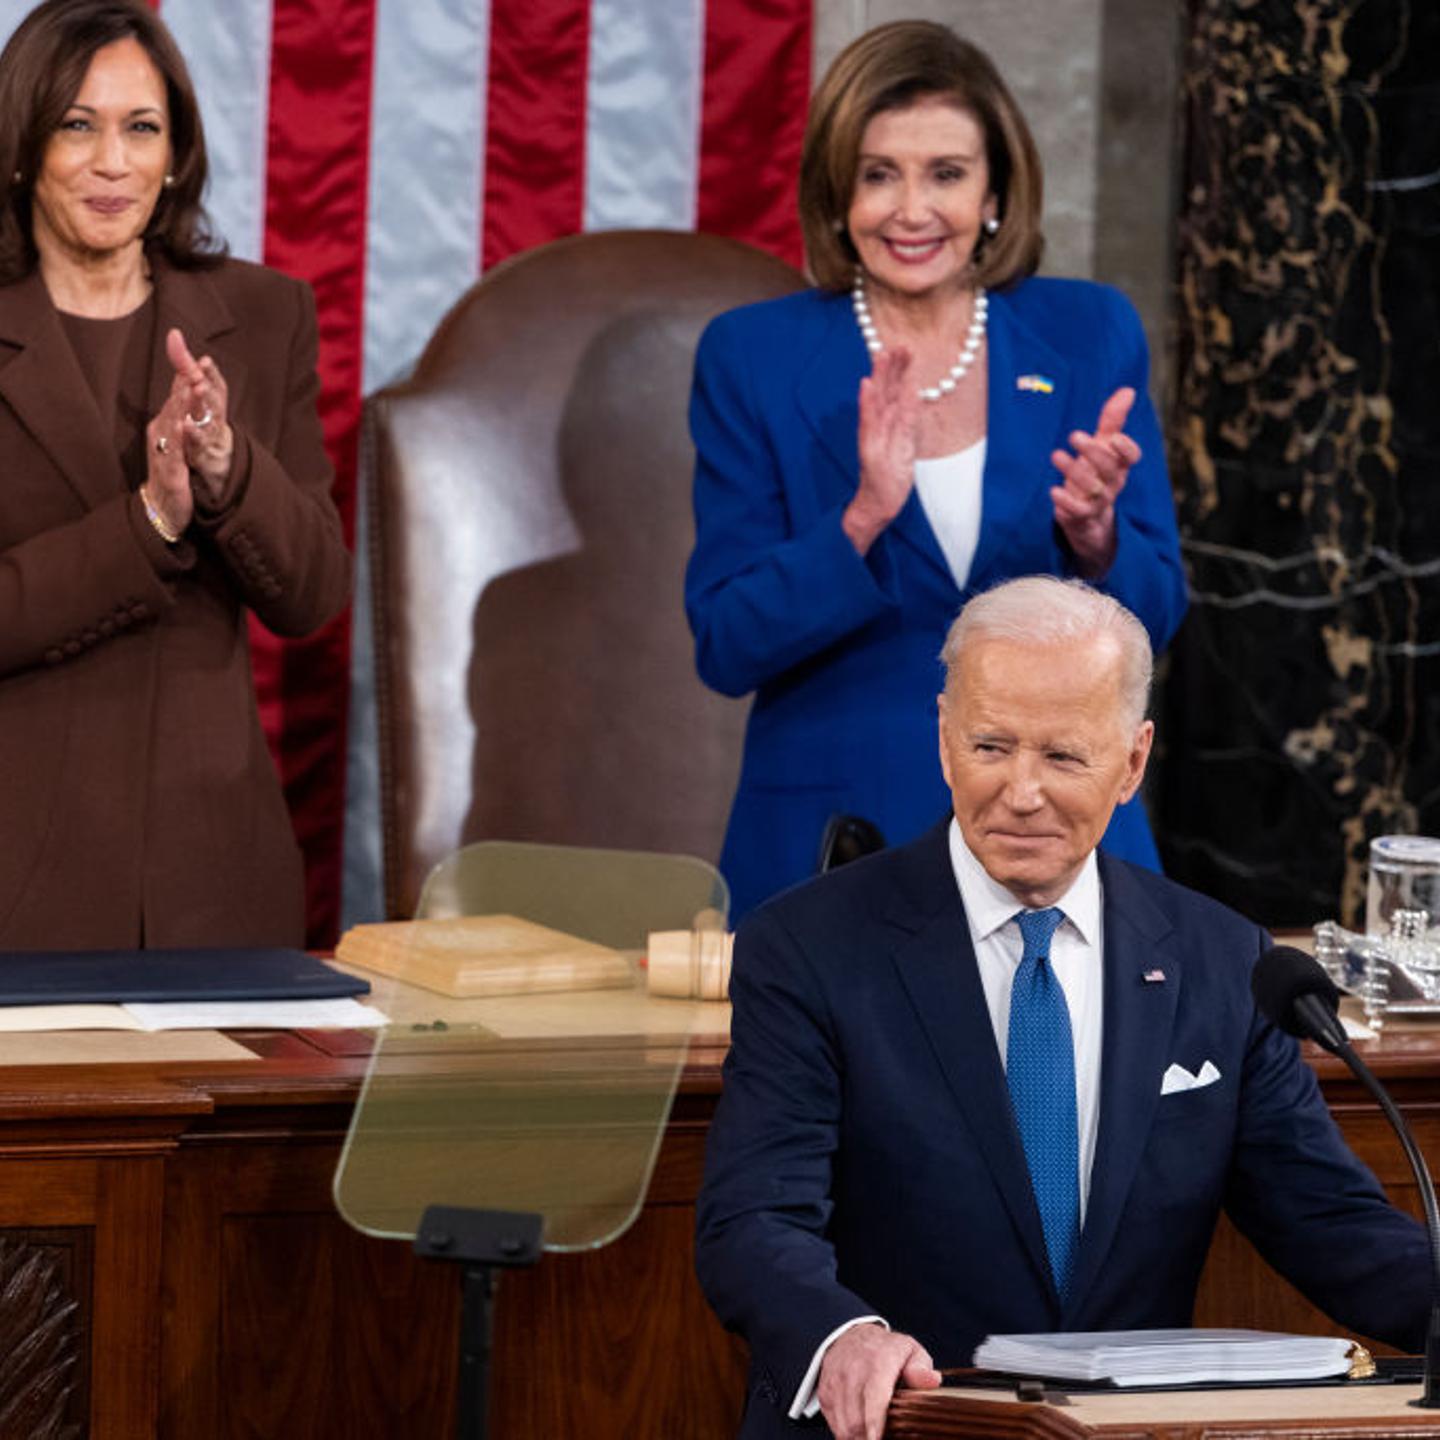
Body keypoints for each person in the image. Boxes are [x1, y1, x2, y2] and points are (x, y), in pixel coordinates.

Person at [696, 576, 1430, 1440]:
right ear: (944, 739)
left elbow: (1330, 1224)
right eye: (990, 745)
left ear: (1132, 761)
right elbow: (754, 1219)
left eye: (1063, 756)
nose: (1021, 791)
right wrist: (844, 1336)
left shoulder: (1223, 960)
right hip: (901, 1424)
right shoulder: (806, 945)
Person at [685, 21, 1188, 923]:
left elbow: (1157, 617)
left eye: (946, 174)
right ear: (837, 192)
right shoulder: (752, 356)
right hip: (837, 846)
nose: (911, 210)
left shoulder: (1087, 333)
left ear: (995, 191)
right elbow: (726, 644)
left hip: (1057, 832)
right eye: (879, 174)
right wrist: (861, 520)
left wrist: (1098, 539)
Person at [0, 0, 351, 949]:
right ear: (23, 148)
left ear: (175, 152)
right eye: (78, 125)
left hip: (215, 885)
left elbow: (314, 594)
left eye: (142, 128)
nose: (113, 162)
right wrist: (149, 522)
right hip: (21, 889)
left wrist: (230, 470)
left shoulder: (263, 314)